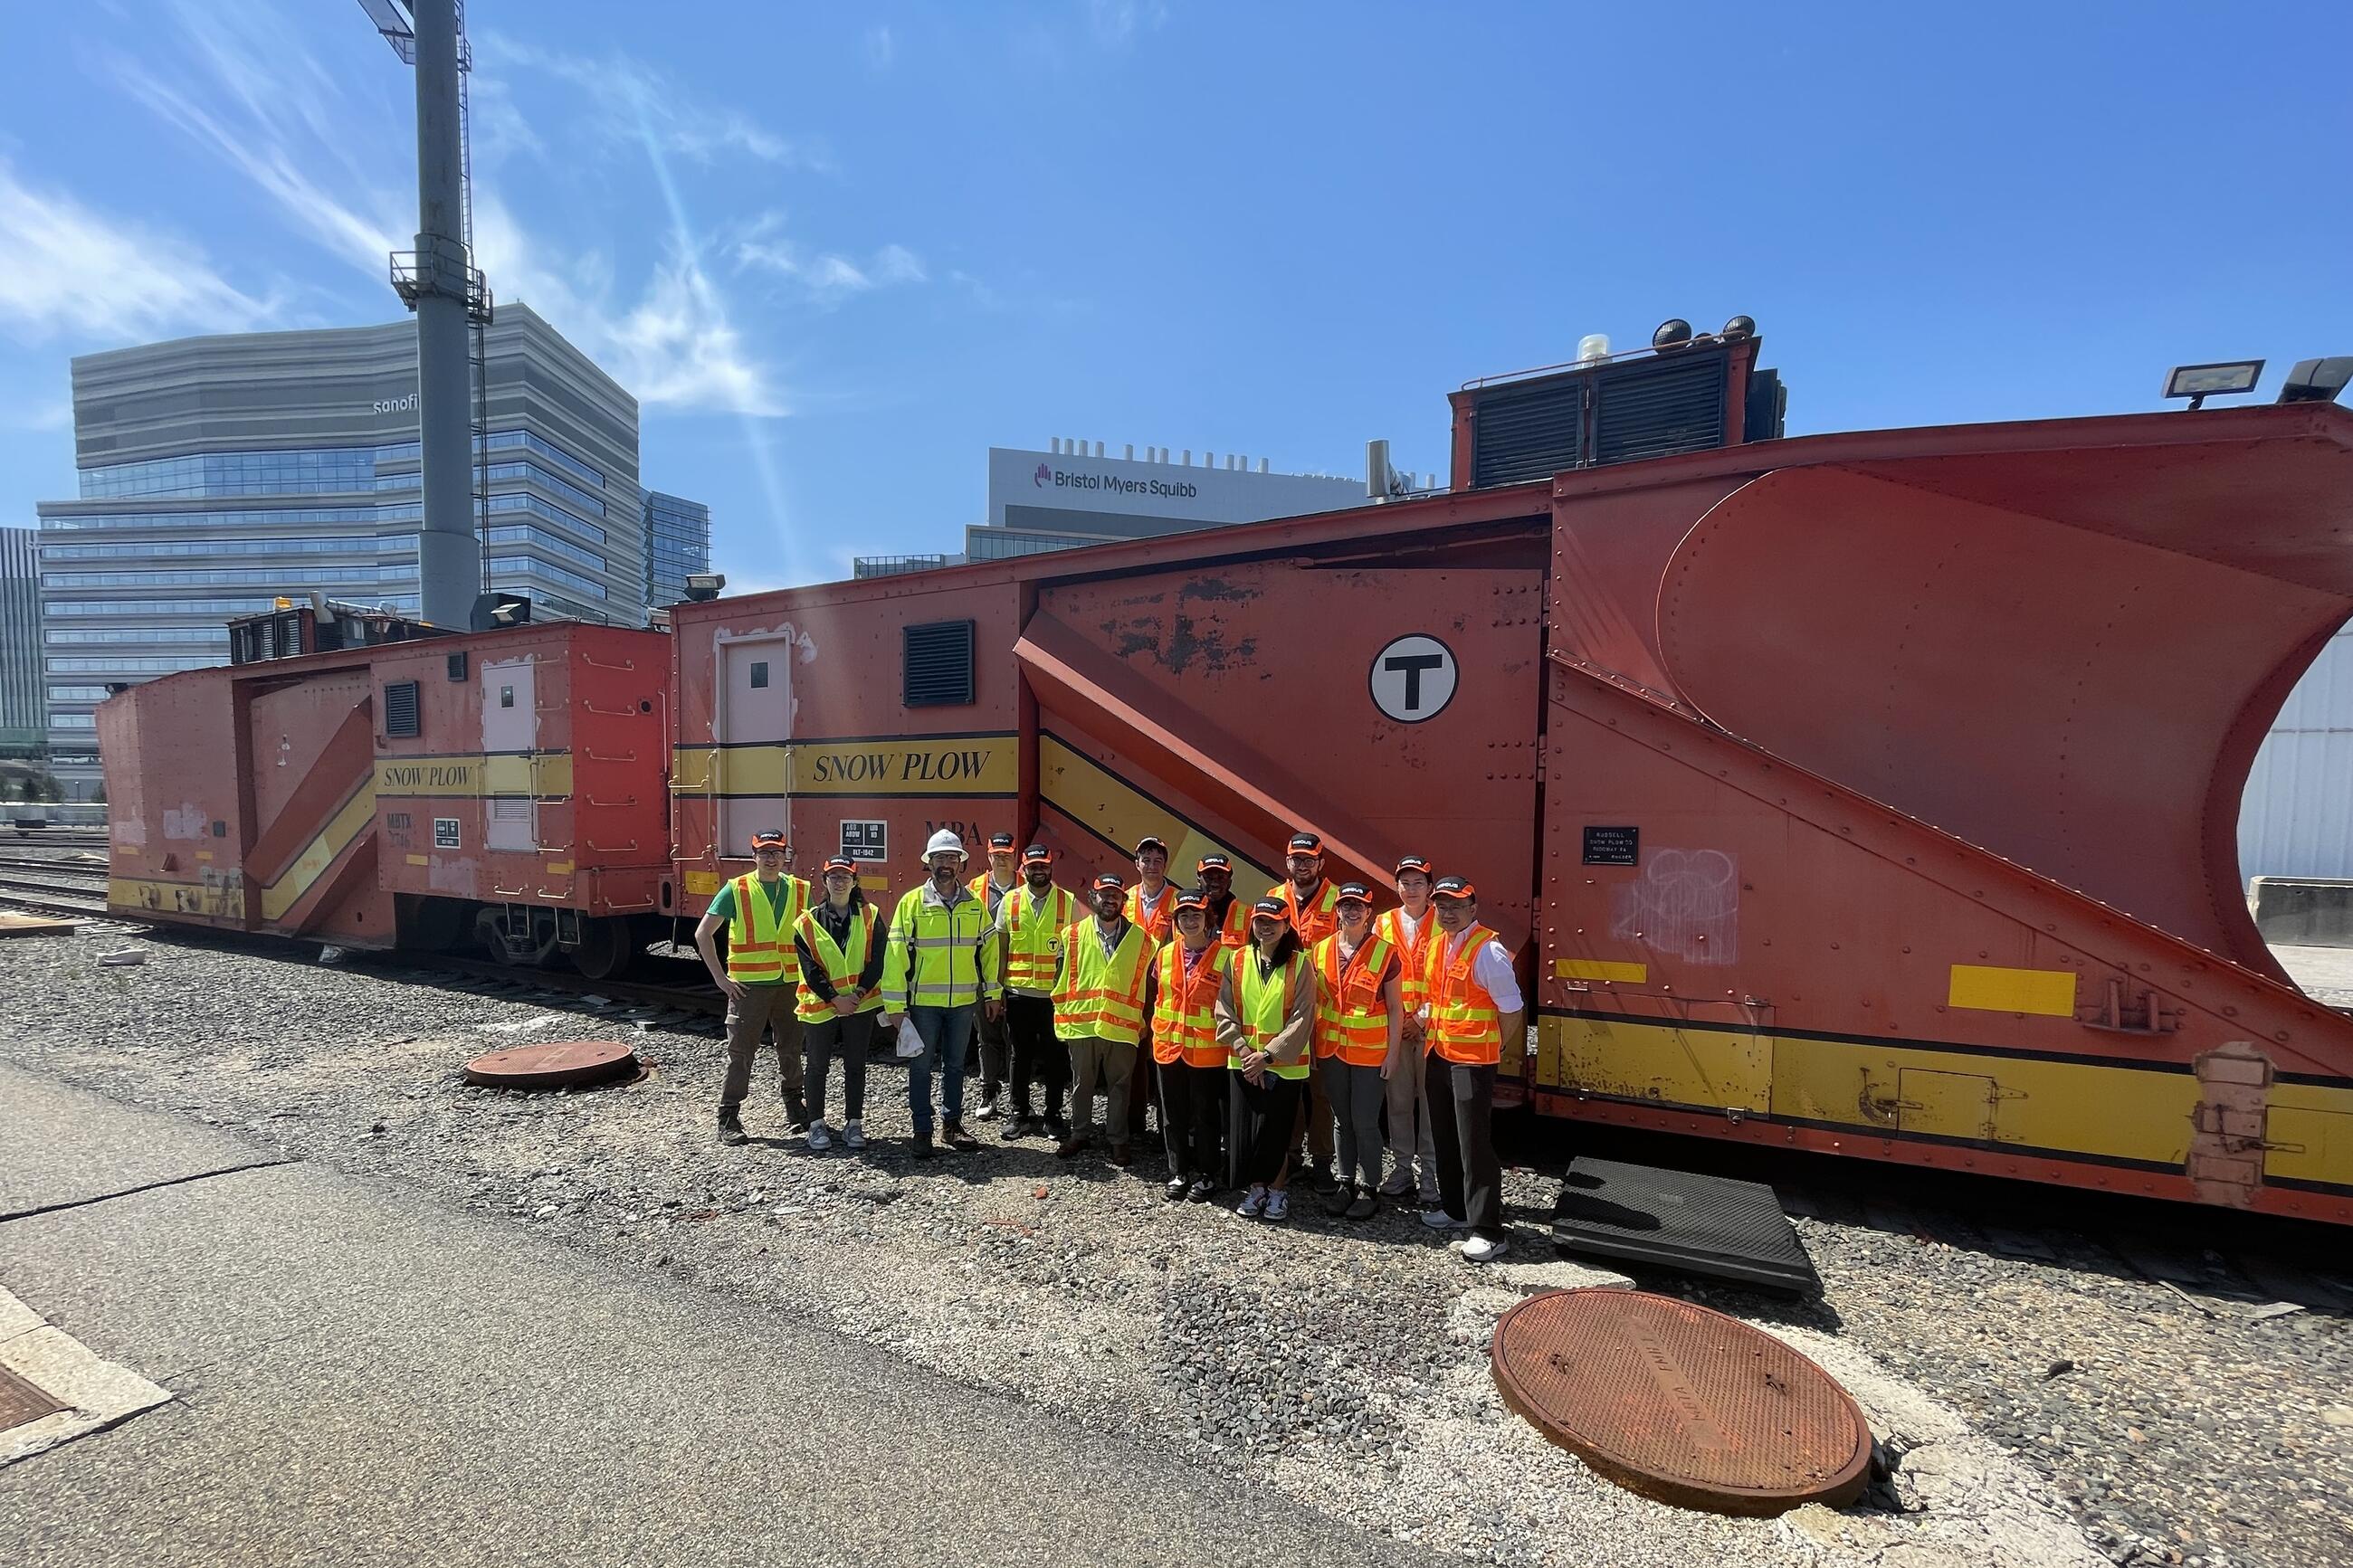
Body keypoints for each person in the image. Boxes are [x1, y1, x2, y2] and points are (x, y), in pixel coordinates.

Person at [1417, 876, 1526, 1263]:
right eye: (1441, 906)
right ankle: (1455, 1209)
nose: (1447, 913)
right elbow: (1438, 1000)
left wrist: (1493, 1046)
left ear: (1473, 909)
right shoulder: (1435, 947)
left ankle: (1488, 1230)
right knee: (1446, 1136)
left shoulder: (1489, 951)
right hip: (1439, 1055)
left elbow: (1511, 1009)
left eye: (1455, 906)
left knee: (1474, 1144)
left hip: (1473, 1062)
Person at [881, 829, 996, 1160]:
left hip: (962, 1004)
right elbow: (895, 957)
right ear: (929, 863)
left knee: (956, 1066)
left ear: (960, 864)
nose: (945, 864)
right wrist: (895, 1006)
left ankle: (952, 1125)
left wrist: (992, 994)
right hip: (923, 1005)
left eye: (951, 858)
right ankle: (922, 1130)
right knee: (920, 1067)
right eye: (939, 858)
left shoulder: (975, 906)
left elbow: (988, 953)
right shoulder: (912, 903)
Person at [693, 829, 811, 1145]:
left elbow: (814, 937)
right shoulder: (737, 889)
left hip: (789, 985)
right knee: (741, 1053)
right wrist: (720, 979)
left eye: (776, 852)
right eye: (764, 853)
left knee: (791, 1049)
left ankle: (794, 1107)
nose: (771, 859)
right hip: (748, 989)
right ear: (754, 856)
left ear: (786, 856)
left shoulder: (801, 889)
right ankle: (729, 1115)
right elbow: (703, 934)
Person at [1215, 898, 1313, 1222]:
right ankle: (1256, 1189)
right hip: (1243, 1062)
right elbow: (1224, 1009)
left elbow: (1303, 1017)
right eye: (1259, 921)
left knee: (1276, 1132)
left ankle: (1277, 1192)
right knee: (1247, 1131)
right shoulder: (1237, 959)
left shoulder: (1300, 964)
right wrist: (1245, 1051)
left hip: (1283, 1065)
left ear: (1287, 927)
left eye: (1273, 922)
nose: (1265, 927)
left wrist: (1267, 1056)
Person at [1310, 882, 1403, 1220]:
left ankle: (1369, 1188)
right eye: (1345, 906)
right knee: (1341, 1120)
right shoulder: (1320, 951)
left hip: (1369, 1053)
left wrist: (1393, 1055)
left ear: (1369, 913)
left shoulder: (1385, 953)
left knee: (1364, 1121)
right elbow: (1314, 1003)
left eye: (1357, 907)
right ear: (1336, 911)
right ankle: (1345, 1183)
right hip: (1331, 1050)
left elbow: (1395, 1009)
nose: (1350, 912)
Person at [1054, 873, 1154, 1166]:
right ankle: (1079, 1133)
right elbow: (1060, 979)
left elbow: (1147, 987)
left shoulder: (1144, 941)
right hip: (1082, 1024)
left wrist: (1144, 1021)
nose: (1109, 899)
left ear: (1124, 900)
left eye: (1116, 895)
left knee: (1120, 1086)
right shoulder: (1071, 935)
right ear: (1092, 897)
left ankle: (1118, 1141)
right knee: (1081, 1083)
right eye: (1104, 894)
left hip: (1122, 1026)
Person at [794, 856, 886, 1152]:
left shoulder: (871, 915)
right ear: (824, 882)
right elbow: (809, 969)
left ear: (855, 882)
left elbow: (878, 960)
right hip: (823, 1005)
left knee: (856, 1066)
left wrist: (856, 995)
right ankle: (816, 1124)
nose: (839, 881)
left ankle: (854, 1123)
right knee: (817, 1066)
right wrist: (835, 999)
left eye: (845, 876)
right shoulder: (807, 922)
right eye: (833, 876)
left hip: (859, 1004)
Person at [987, 845, 1076, 1142]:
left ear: (1051, 866)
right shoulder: (1010, 901)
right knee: (1019, 1056)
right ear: (1023, 868)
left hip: (1053, 997)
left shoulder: (1068, 902)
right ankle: (1019, 1115)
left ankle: (1053, 1115)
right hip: (1017, 994)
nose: (1039, 870)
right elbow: (1001, 950)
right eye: (1033, 866)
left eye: (1044, 865)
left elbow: (1074, 953)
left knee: (1056, 1057)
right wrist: (996, 990)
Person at [1275, 832, 1345, 1194]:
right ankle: (1288, 1157)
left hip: (1323, 1010)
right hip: (1282, 1010)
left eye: (1308, 860)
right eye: (1295, 859)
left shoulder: (1337, 901)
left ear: (1320, 863)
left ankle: (1321, 1162)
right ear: (1287, 862)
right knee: (1287, 1086)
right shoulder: (1274, 898)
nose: (1301, 866)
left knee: (1321, 1093)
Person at [1152, 888, 1231, 1202]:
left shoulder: (1226, 957)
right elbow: (1161, 997)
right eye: (1183, 915)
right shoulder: (1165, 954)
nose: (1189, 921)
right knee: (1173, 1114)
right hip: (1169, 1049)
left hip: (1207, 1053)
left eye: (1196, 915)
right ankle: (1178, 1171)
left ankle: (1208, 1173)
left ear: (1208, 919)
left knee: (1206, 1115)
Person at [1374, 854, 1443, 1208]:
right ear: (1396, 886)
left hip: (1431, 1030)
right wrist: (1401, 1021)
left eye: (1418, 883)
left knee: (1430, 1105)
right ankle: (1402, 1168)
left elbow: (1448, 978)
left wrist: (1422, 1018)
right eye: (1405, 882)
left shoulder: (1445, 923)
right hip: (1396, 1029)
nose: (1411, 889)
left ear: (1430, 888)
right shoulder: (1382, 924)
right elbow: (1374, 977)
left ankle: (1430, 1173)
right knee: (1398, 1102)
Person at [1123, 835, 1175, 1143]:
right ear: (1137, 863)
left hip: (1166, 990)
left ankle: (1165, 1127)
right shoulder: (1125, 899)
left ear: (1165, 865)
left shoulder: (1179, 900)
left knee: (1164, 1057)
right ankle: (1135, 1124)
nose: (1152, 866)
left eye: (1158, 860)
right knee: (1133, 1056)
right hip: (1131, 989)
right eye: (1146, 860)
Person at [967, 832, 1022, 1121]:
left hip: (1017, 977)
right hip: (983, 974)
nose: (1002, 859)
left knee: (1015, 1038)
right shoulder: (974, 888)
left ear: (1016, 856)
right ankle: (989, 1089)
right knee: (987, 1034)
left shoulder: (1029, 886)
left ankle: (1017, 1097)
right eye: (996, 855)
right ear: (988, 856)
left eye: (1007, 854)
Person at [1194, 854, 1251, 948]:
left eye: (1221, 878)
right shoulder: (1185, 912)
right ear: (1199, 881)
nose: (1215, 883)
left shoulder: (1248, 915)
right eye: (1209, 878)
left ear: (1229, 883)